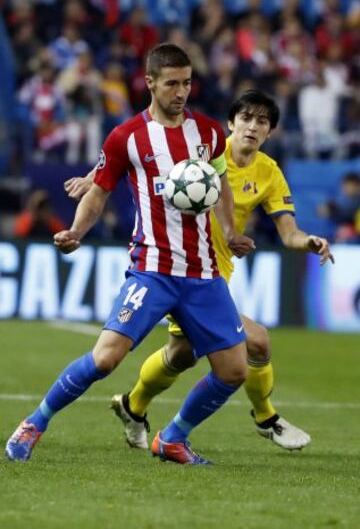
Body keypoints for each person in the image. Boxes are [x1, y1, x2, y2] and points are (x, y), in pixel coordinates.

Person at [5, 43, 255, 466]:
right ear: (151, 82)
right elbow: (98, 191)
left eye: (188, 82)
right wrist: (77, 231)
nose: (181, 92)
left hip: (202, 274)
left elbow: (220, 186)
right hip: (152, 270)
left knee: (234, 370)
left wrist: (230, 231)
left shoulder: (210, 133)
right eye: (172, 83)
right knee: (106, 358)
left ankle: (172, 438)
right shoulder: (127, 138)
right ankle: (34, 422)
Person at [65, 90, 334, 454]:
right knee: (256, 342)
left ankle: (133, 405)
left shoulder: (269, 173)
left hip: (216, 274)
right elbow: (139, 153)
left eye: (262, 122)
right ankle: (266, 417)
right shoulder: (203, 147)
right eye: (246, 118)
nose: (252, 127)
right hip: (182, 267)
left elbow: (288, 232)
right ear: (231, 123)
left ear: (270, 132)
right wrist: (93, 178)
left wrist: (308, 242)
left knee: (181, 354)